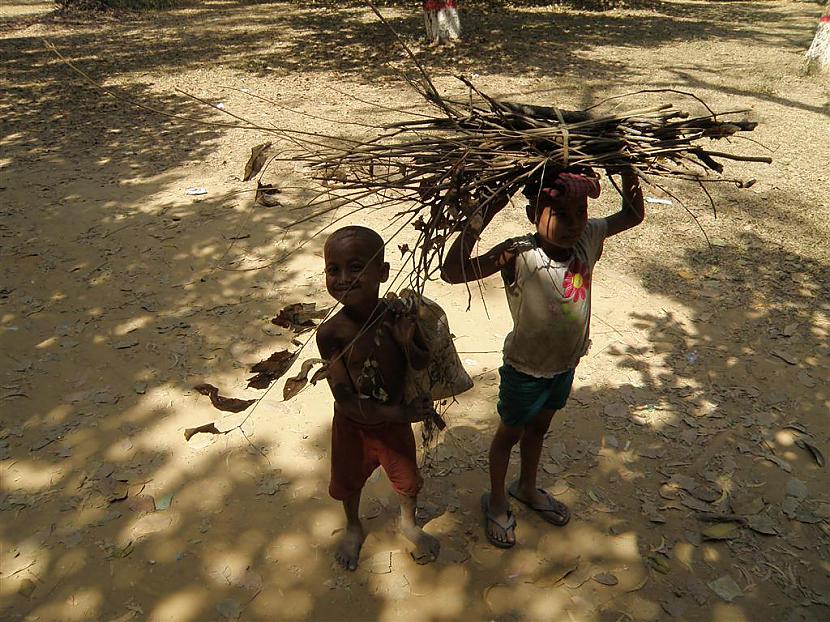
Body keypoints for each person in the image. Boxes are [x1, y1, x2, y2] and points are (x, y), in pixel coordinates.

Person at [440, 168, 645, 548]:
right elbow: (453, 272)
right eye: (561, 214)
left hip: (565, 365)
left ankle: (527, 487)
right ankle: (497, 499)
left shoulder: (588, 237)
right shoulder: (518, 252)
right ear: (535, 213)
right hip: (526, 369)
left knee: (539, 429)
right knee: (510, 434)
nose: (573, 224)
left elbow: (632, 214)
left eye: (580, 212)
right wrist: (482, 213)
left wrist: (626, 169)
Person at [316, 225, 441, 570]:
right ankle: (354, 526)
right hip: (354, 426)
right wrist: (401, 413)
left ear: (382, 272)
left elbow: (420, 362)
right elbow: (344, 399)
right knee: (347, 481)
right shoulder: (330, 333)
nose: (343, 278)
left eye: (356, 267)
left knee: (407, 479)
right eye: (333, 269)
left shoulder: (397, 316)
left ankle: (408, 522)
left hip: (393, 425)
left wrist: (406, 339)